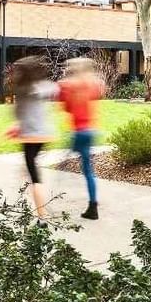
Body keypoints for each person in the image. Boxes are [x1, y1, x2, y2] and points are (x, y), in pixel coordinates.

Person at [11, 56, 57, 226]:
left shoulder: (22, 91)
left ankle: (42, 217)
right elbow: (56, 90)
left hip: (30, 136)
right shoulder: (46, 87)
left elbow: (18, 114)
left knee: (34, 176)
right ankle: (34, 199)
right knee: (28, 169)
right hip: (45, 135)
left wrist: (18, 125)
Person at [57, 57, 105, 220]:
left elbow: (66, 107)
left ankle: (53, 192)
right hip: (91, 131)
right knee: (88, 170)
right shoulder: (93, 84)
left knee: (64, 162)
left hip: (78, 131)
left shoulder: (68, 86)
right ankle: (93, 205)